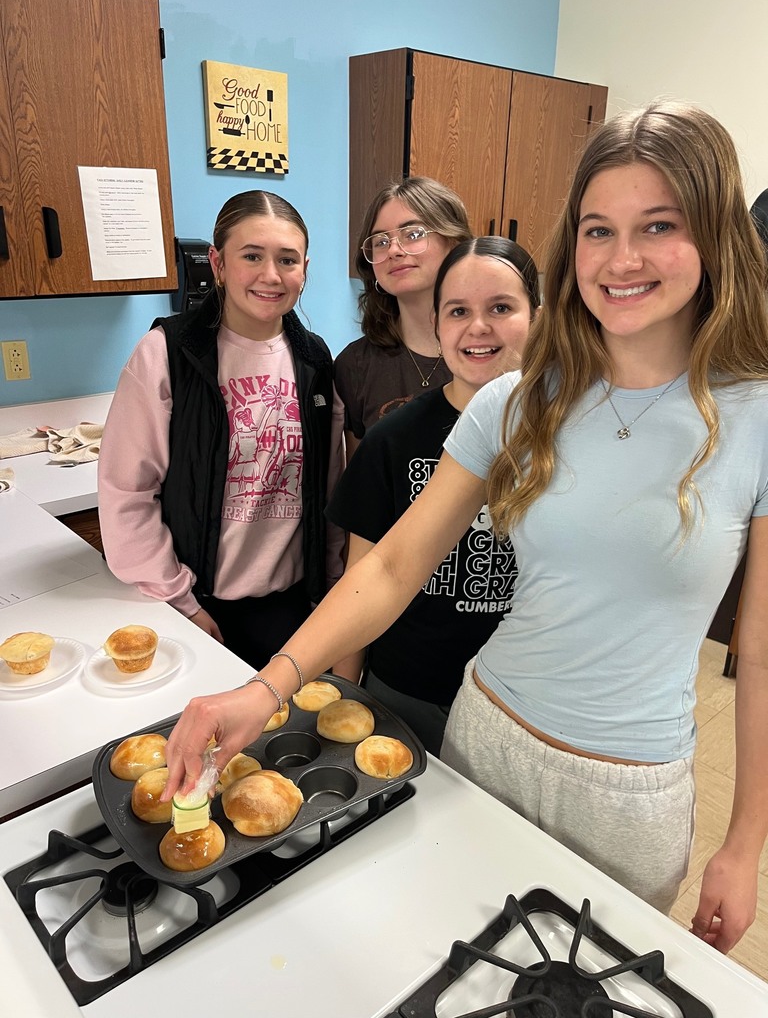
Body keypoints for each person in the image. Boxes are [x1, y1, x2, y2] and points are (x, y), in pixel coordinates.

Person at [162, 101, 768, 954]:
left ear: (713, 237)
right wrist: (269, 688)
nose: (622, 259)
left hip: (631, 795)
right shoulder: (517, 402)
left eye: (658, 225)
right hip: (481, 743)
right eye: (598, 230)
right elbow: (393, 566)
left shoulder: (756, 417)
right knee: (444, 965)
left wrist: (744, 846)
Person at [99, 190, 345, 669]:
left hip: (294, 609)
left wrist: (330, 587)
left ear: (305, 270)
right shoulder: (166, 355)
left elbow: (329, 490)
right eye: (251, 255)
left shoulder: (316, 360)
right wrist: (183, 603)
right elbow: (126, 492)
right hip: (196, 607)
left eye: (287, 260)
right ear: (218, 263)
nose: (270, 275)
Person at [328, 237, 540, 754]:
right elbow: (364, 575)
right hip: (406, 690)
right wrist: (344, 694)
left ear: (538, 315)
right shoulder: (392, 438)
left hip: (526, 699)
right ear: (438, 326)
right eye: (458, 311)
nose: (478, 327)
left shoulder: (570, 433)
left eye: (501, 308)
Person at [334, 177, 472, 456]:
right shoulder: (354, 366)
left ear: (455, 243)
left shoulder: (490, 351)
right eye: (381, 241)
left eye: (414, 234)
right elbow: (362, 479)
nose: (395, 250)